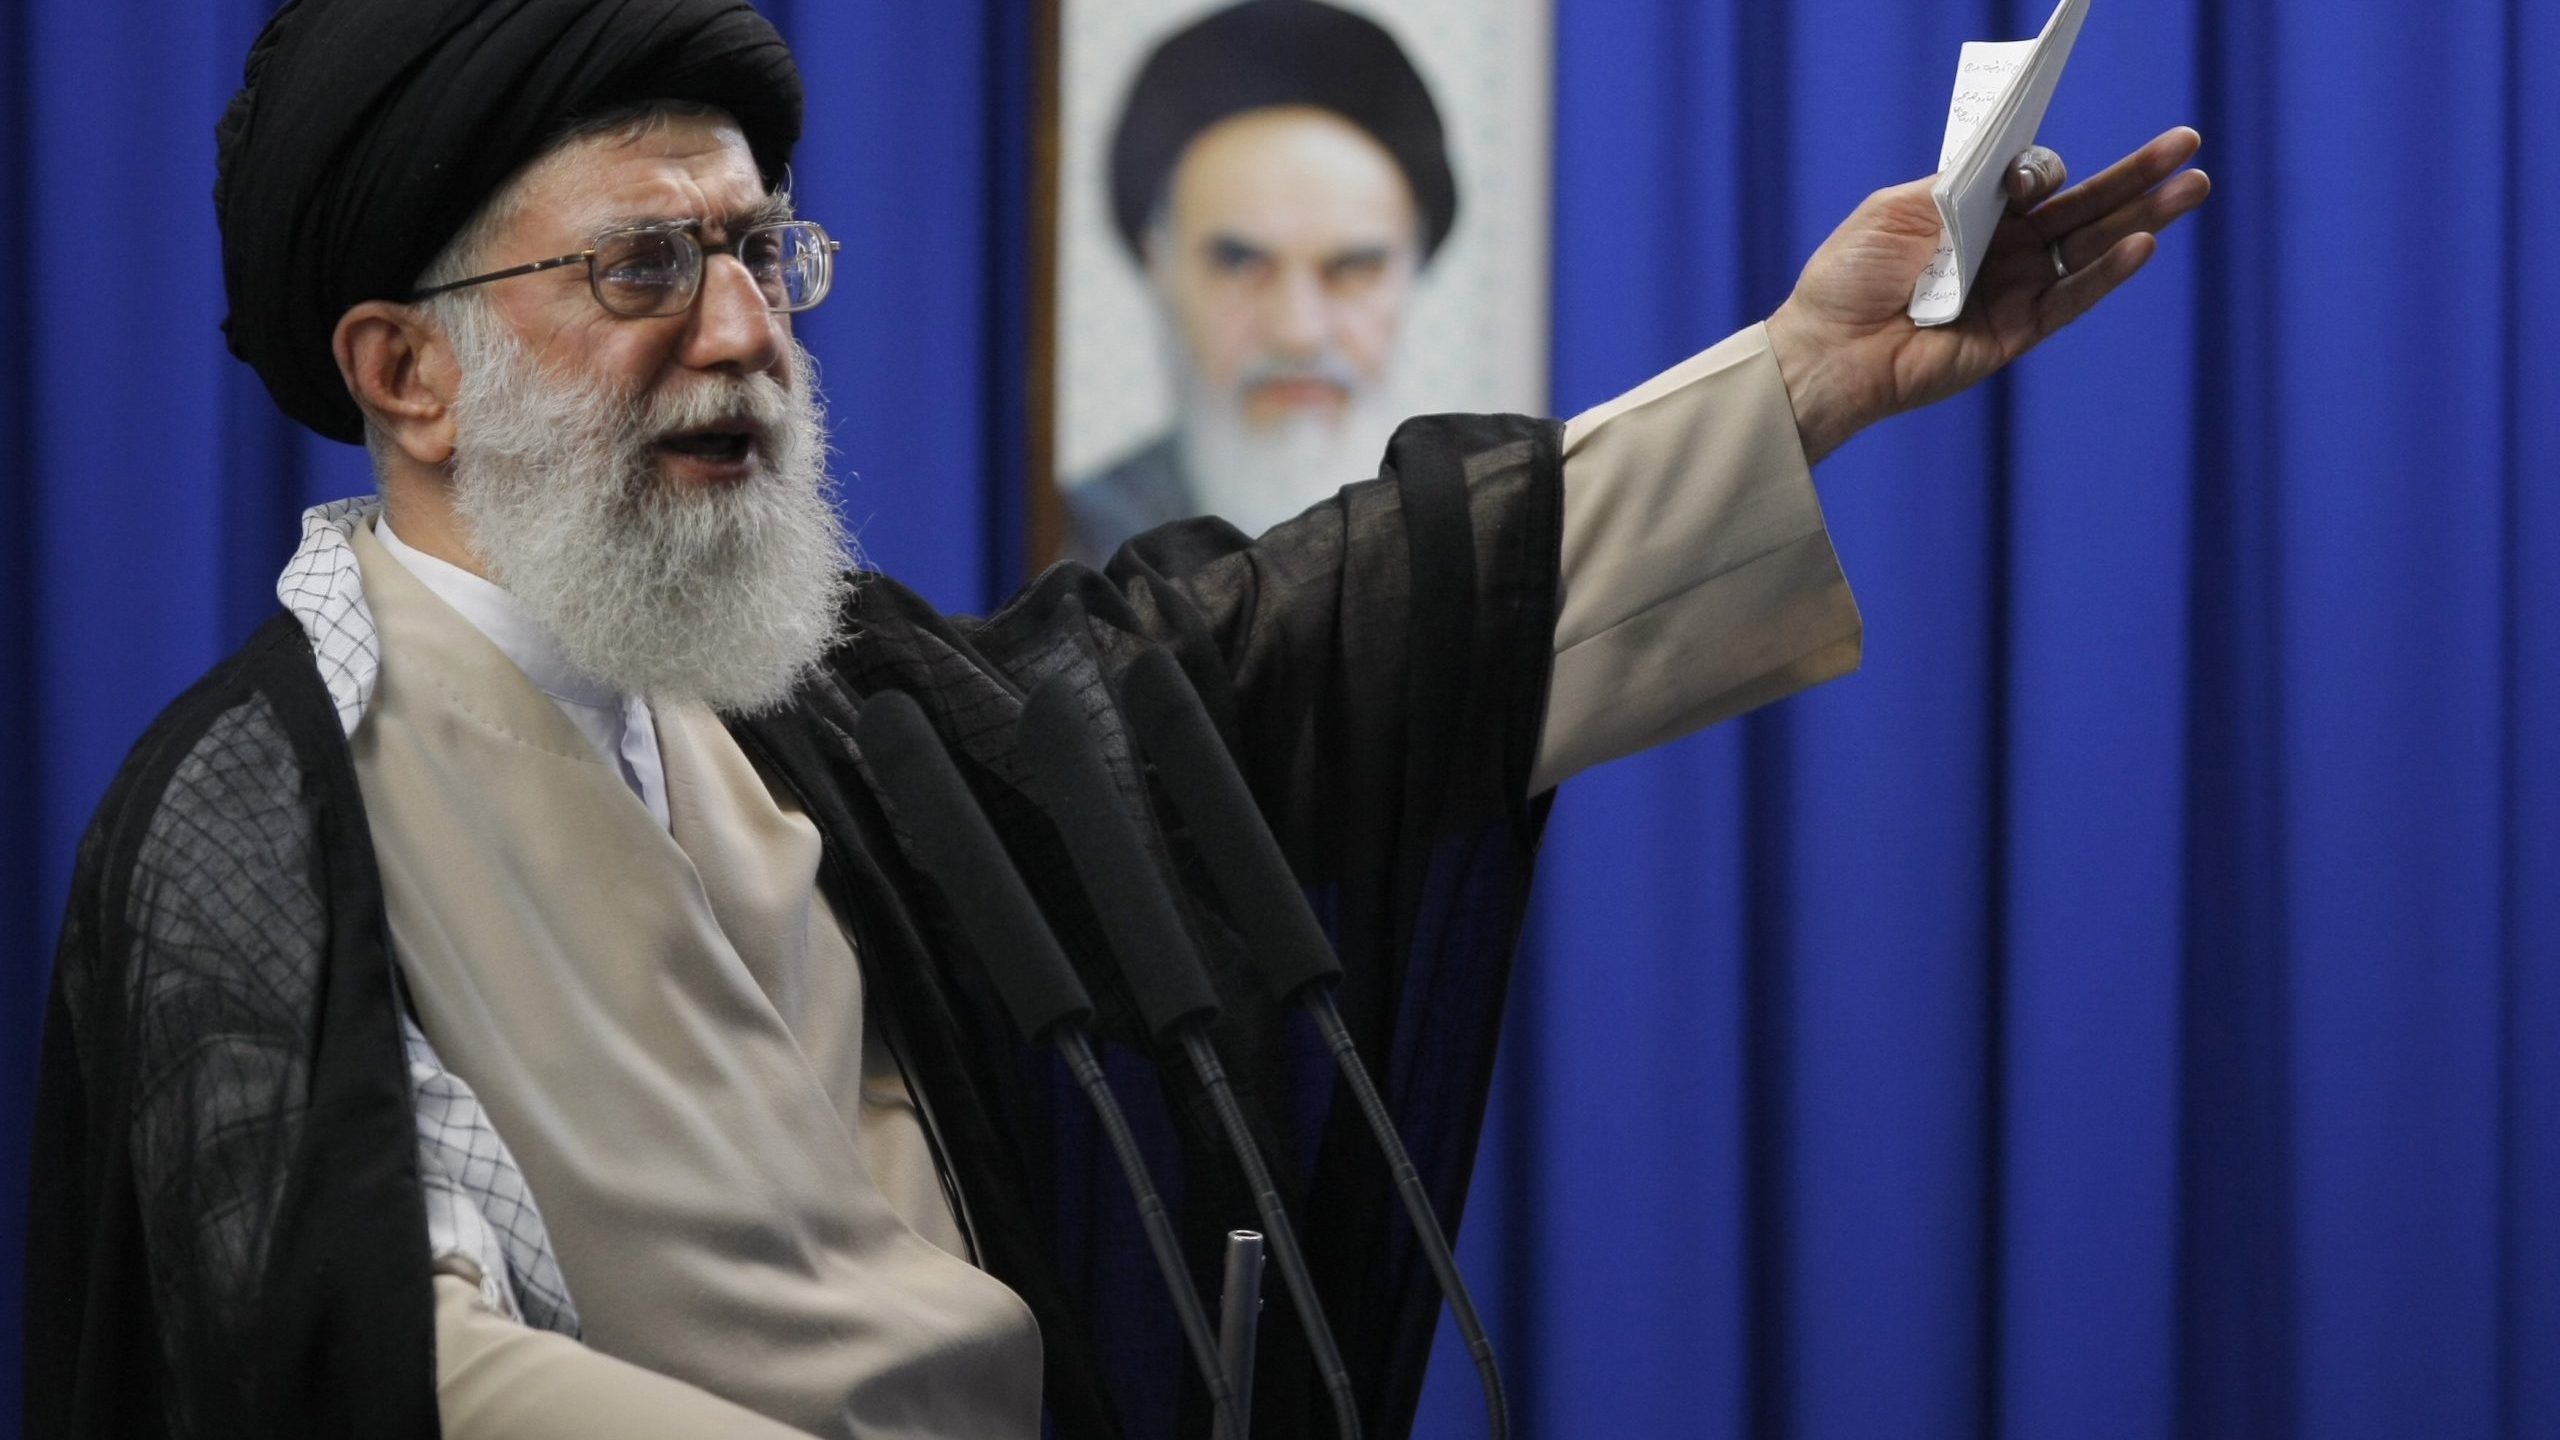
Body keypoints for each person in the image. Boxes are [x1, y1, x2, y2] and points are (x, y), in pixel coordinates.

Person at [22, 0, 2208, 1436]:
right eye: (642, 269)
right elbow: (355, 1362)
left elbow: (1268, 667)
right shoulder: (259, 818)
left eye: (760, 254)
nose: (743, 333)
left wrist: (1803, 382)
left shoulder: (826, 712)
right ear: (404, 372)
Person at [1064, 0, 1455, 564]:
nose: (1298, 332)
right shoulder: (1056, 562)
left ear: (1411, 267)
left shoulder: (1489, 555)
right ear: (1159, 264)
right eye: (1240, 264)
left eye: (1352, 269)